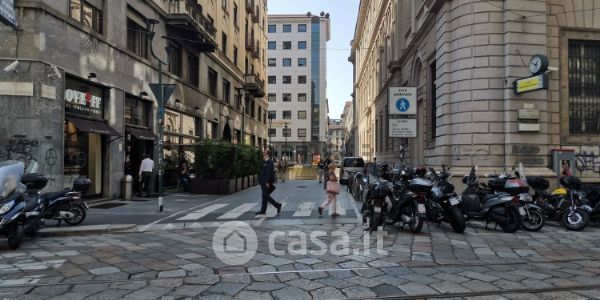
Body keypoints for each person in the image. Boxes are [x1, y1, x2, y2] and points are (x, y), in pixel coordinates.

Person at [256, 149, 282, 215]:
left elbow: (268, 172)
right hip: (263, 181)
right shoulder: (265, 161)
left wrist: (267, 182)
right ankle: (263, 210)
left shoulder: (269, 162)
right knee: (264, 196)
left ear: (267, 155)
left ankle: (277, 205)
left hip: (266, 182)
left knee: (265, 195)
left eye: (264, 154)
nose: (263, 155)